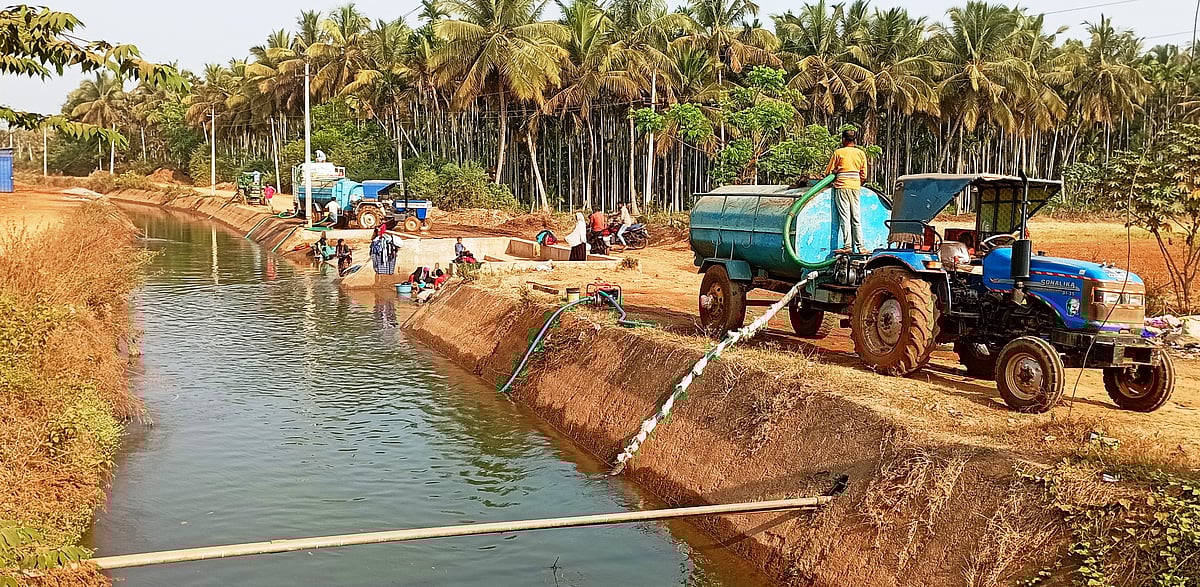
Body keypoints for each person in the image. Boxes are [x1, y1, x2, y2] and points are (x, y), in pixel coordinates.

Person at [825, 129, 868, 254]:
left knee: (845, 217)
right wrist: (857, 183)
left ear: (843, 139)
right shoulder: (860, 153)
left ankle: (847, 246)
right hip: (855, 187)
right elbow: (864, 175)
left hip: (842, 186)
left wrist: (836, 173)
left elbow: (828, 172)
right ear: (855, 140)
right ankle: (861, 247)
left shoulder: (839, 152)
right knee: (856, 217)